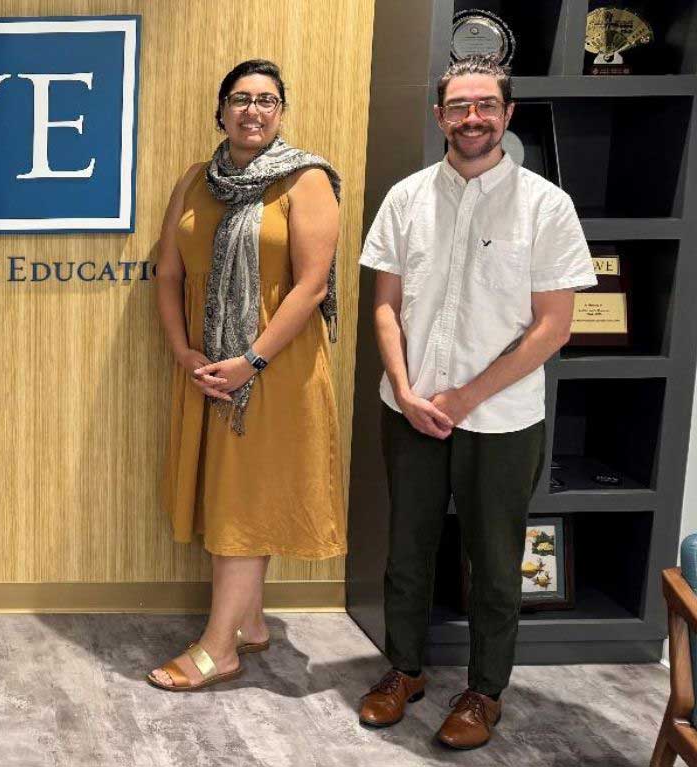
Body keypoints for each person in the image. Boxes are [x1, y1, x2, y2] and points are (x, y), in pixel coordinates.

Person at [356, 55, 594, 750]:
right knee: (407, 549)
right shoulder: (405, 199)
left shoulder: (546, 206)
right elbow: (385, 308)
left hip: (501, 418)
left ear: (507, 114)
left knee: (495, 560)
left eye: (485, 105)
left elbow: (554, 325)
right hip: (409, 408)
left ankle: (485, 690)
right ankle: (403, 670)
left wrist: (462, 397)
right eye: (459, 105)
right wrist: (404, 389)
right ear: (440, 116)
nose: (472, 117)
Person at [147, 59, 346, 691]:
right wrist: (184, 353)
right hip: (208, 366)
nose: (252, 110)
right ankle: (251, 624)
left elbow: (312, 286)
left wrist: (251, 361)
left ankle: (218, 649)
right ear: (221, 110)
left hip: (273, 366)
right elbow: (169, 272)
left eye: (265, 100)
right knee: (230, 492)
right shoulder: (194, 180)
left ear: (281, 111)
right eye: (239, 99)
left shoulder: (305, 180)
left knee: (243, 500)